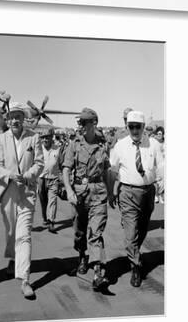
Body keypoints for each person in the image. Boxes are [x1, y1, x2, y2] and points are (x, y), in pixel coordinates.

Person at [0, 103, 44, 299]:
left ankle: (24, 279)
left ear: (24, 119)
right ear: (7, 119)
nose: (15, 120)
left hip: (28, 192)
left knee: (24, 235)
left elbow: (39, 163)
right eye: (12, 116)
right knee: (12, 232)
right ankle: (13, 259)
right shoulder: (1, 139)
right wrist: (10, 175)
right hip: (8, 191)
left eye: (19, 116)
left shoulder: (34, 137)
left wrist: (28, 175)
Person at [109, 111, 164, 287]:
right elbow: (113, 169)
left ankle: (134, 253)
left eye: (137, 127)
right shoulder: (120, 145)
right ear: (127, 127)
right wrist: (112, 191)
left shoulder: (153, 144)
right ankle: (136, 266)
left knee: (142, 228)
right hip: (128, 193)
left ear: (143, 128)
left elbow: (161, 166)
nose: (134, 130)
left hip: (148, 192)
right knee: (130, 232)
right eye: (131, 126)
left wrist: (163, 184)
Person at [62, 108, 112, 291]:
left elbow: (106, 169)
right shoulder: (74, 144)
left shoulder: (103, 145)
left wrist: (111, 192)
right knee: (80, 232)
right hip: (79, 192)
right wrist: (68, 190)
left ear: (94, 123)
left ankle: (98, 273)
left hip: (98, 192)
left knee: (95, 232)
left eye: (84, 122)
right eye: (79, 122)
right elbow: (66, 169)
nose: (80, 126)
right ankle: (82, 255)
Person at [37, 128, 60, 232]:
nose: (45, 140)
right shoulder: (38, 150)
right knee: (43, 201)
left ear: (52, 138)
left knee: (52, 200)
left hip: (53, 179)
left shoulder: (58, 149)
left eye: (47, 137)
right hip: (41, 178)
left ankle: (51, 222)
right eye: (43, 138)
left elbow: (62, 164)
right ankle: (45, 217)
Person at [154, 126, 165, 204]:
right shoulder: (153, 142)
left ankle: (160, 196)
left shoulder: (165, 143)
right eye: (158, 134)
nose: (159, 135)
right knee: (156, 182)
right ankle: (155, 196)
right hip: (155, 165)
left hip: (163, 165)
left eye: (160, 134)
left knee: (162, 182)